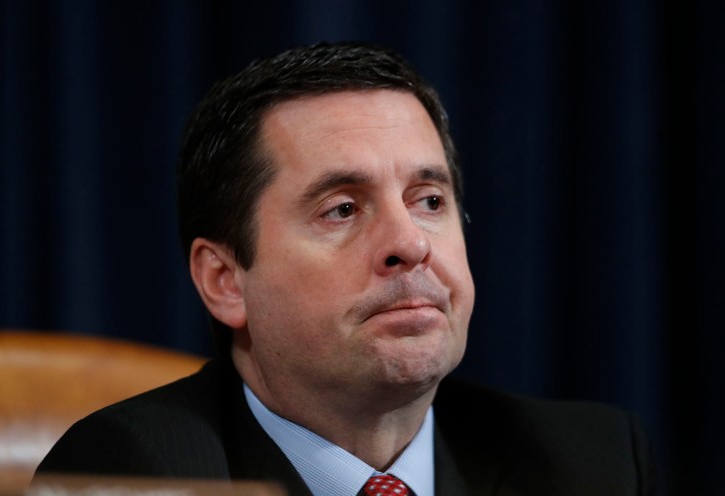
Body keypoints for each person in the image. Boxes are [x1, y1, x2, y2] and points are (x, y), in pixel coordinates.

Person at [35, 42, 658, 495]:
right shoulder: (142, 471)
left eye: (430, 200)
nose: (410, 244)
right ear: (225, 281)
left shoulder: (591, 463)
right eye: (341, 209)